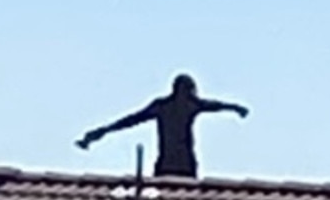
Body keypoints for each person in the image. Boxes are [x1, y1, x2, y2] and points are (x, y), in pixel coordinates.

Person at [75, 73, 249, 178]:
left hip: (174, 162)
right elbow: (131, 120)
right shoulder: (184, 105)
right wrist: (102, 131)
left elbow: (130, 120)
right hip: (177, 163)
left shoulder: (164, 106)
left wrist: (102, 131)